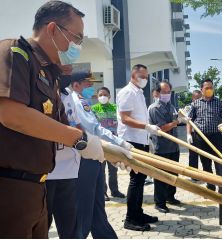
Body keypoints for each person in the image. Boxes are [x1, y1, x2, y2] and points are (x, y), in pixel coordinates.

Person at [0, 1, 88, 238]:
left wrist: (107, 149)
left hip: (38, 187)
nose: (77, 45)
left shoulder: (49, 73)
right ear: (52, 29)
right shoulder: (13, 53)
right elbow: (11, 114)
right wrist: (80, 140)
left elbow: (59, 126)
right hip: (9, 189)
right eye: (76, 38)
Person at [71, 70, 132, 238]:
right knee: (85, 207)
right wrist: (118, 143)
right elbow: (93, 129)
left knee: (97, 205)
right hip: (85, 160)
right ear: (76, 85)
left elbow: (96, 128)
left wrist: (119, 143)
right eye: (87, 83)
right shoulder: (76, 102)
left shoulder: (83, 101)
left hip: (94, 157)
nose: (91, 86)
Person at [117, 64, 161, 231]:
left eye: (146, 76)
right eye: (142, 76)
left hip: (140, 140)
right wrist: (146, 127)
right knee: (136, 179)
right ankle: (130, 219)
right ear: (133, 76)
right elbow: (125, 118)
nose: (145, 79)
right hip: (131, 140)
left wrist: (147, 130)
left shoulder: (138, 93)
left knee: (141, 179)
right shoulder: (127, 92)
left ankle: (138, 213)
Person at [46, 73, 82, 238]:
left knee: (70, 227)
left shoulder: (68, 95)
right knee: (40, 226)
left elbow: (76, 123)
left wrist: (88, 141)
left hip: (68, 169)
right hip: (45, 170)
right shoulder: (39, 87)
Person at [187, 79, 222, 191]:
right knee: (205, 163)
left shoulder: (220, 103)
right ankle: (210, 185)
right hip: (201, 138)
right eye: (207, 88)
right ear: (201, 89)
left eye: (211, 88)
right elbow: (189, 120)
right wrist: (189, 133)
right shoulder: (195, 104)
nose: (209, 90)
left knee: (219, 162)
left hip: (216, 136)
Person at [149, 81, 183, 213]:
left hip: (173, 146)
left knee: (173, 173)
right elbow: (162, 128)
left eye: (169, 92)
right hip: (161, 147)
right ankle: (160, 202)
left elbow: (174, 120)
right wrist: (177, 122)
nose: (167, 94)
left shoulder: (171, 106)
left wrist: (180, 118)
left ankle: (170, 196)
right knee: (161, 176)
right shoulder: (155, 108)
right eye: (164, 92)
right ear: (157, 93)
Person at [92, 87, 125, 200]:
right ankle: (103, 192)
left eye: (105, 95)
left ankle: (114, 191)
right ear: (97, 97)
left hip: (113, 143)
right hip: (100, 144)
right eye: (100, 95)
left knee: (113, 169)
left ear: (110, 96)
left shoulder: (115, 108)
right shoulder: (93, 109)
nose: (103, 97)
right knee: (100, 170)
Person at [187, 90, 202, 178]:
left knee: (204, 155)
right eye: (196, 98)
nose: (198, 100)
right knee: (193, 155)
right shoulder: (190, 108)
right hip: (193, 134)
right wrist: (188, 134)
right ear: (193, 98)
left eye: (200, 98)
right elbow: (188, 121)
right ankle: (193, 175)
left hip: (202, 134)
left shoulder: (202, 106)